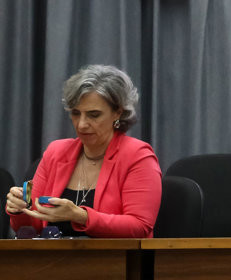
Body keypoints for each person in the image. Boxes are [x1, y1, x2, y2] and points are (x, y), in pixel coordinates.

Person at [6, 64, 162, 238]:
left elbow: (139, 227)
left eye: (93, 115)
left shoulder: (138, 156)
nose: (81, 124)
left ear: (118, 112)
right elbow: (32, 227)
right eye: (75, 113)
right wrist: (20, 209)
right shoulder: (56, 152)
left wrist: (80, 216)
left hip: (113, 260)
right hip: (53, 261)